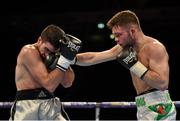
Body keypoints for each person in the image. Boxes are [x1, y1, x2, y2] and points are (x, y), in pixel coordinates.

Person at [74, 10, 177, 120]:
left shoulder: (154, 48)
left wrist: (135, 65)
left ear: (132, 31)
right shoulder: (126, 48)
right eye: (114, 36)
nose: (116, 40)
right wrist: (69, 58)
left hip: (160, 106)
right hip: (143, 105)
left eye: (118, 35)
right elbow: (93, 58)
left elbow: (162, 84)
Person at [9, 24, 82, 120]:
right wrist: (62, 63)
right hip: (27, 106)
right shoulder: (29, 51)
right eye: (46, 49)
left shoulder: (54, 55)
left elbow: (67, 83)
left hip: (50, 104)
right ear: (39, 40)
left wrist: (65, 56)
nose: (47, 54)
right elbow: (49, 85)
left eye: (51, 52)